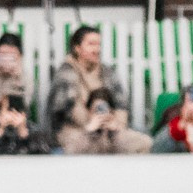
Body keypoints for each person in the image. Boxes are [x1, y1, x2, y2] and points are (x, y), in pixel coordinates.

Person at [50, 26, 151, 154]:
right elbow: (66, 111)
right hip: (77, 130)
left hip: (109, 129)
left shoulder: (108, 73)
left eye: (98, 44)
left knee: (142, 143)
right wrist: (92, 124)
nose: (96, 49)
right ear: (77, 48)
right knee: (76, 148)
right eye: (91, 44)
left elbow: (121, 105)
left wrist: (116, 123)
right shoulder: (66, 74)